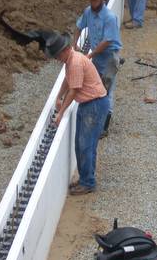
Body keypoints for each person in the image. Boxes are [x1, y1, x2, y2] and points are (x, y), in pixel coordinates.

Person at [47, 32, 110, 195]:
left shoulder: (74, 62)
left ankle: (88, 183)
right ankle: (86, 178)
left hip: (94, 105)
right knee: (83, 144)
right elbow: (68, 81)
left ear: (65, 50)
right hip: (90, 104)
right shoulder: (71, 60)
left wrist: (61, 112)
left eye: (56, 55)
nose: (56, 59)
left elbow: (74, 90)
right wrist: (59, 96)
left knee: (85, 145)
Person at [74, 0, 122, 137]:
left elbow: (107, 40)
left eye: (95, 0)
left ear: (102, 0)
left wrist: (90, 54)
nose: (92, 3)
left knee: (105, 91)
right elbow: (79, 26)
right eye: (91, 0)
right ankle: (98, 120)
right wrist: (75, 44)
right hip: (97, 56)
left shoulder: (109, 17)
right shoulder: (88, 12)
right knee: (97, 88)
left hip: (109, 57)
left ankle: (104, 127)